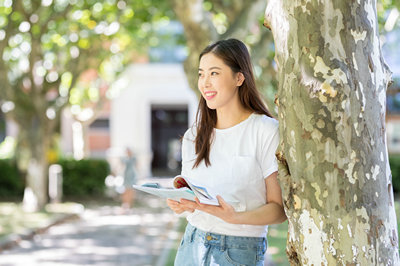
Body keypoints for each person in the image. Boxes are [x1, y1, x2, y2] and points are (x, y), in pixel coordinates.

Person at [166, 38, 287, 266]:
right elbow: (193, 195)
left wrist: (234, 217)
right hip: (192, 245)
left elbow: (279, 211)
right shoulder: (194, 136)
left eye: (214, 73)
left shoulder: (265, 131)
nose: (205, 83)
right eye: (201, 74)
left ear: (239, 78)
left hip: (238, 251)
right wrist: (183, 203)